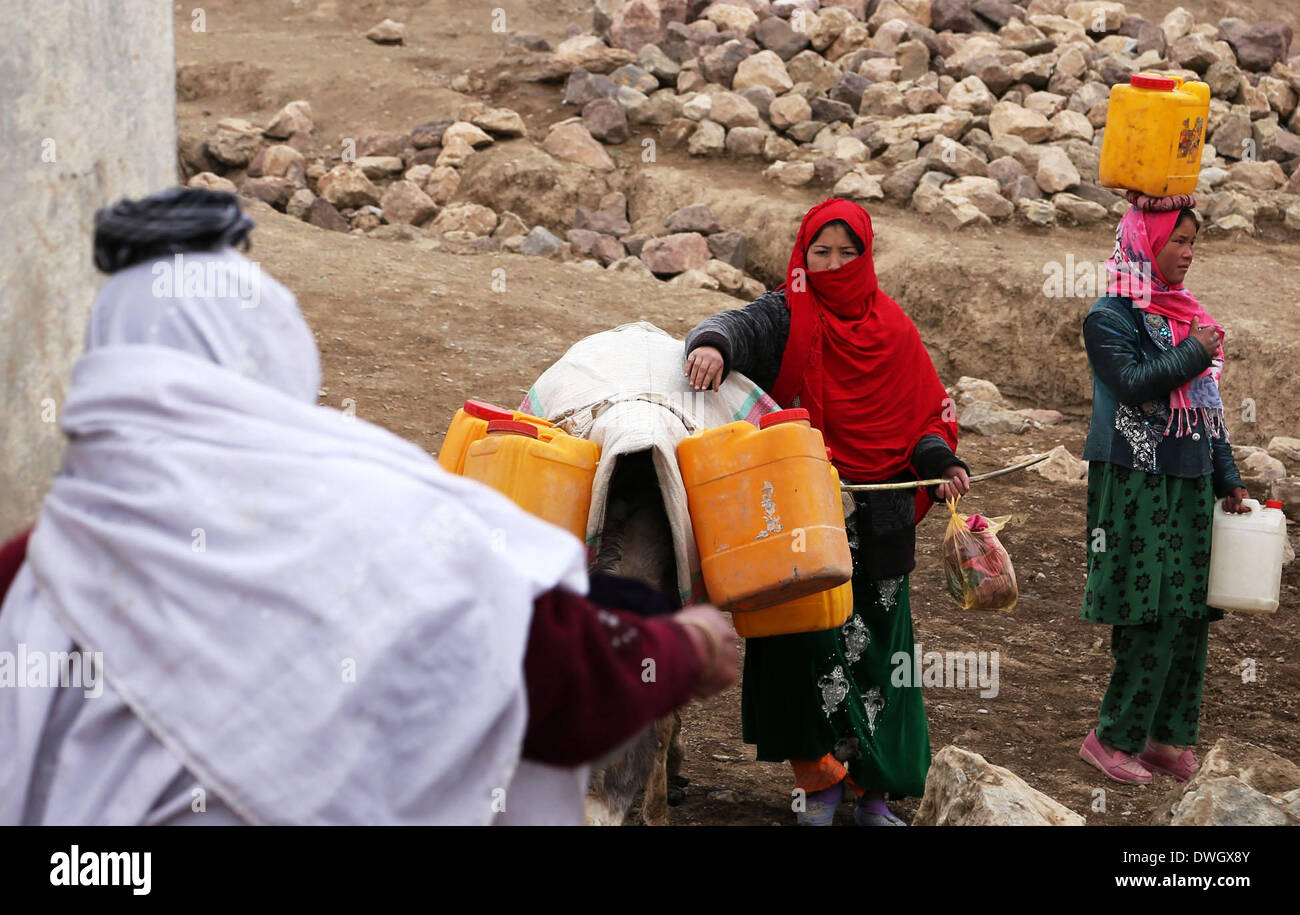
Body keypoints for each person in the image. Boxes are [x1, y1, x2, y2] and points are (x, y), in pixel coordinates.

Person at [0, 187, 736, 825]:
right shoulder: (384, 525)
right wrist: (681, 650)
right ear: (272, 353)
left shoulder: (27, 576)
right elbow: (550, 671)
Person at [683, 198, 970, 826]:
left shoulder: (894, 329)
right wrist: (710, 345)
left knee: (878, 657)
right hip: (802, 510)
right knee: (799, 642)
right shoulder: (789, 313)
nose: (834, 265)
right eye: (821, 253)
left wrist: (941, 464)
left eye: (848, 254)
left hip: (883, 515)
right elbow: (737, 326)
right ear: (802, 256)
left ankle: (872, 793)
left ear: (867, 257)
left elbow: (923, 417)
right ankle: (817, 784)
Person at [1078, 199, 1248, 785]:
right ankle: (1110, 738)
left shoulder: (1188, 315)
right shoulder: (1109, 317)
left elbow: (1207, 413)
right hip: (1135, 477)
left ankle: (1165, 739)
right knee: (1146, 610)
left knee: (1192, 611)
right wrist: (1197, 349)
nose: (1188, 253)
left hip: (1191, 477)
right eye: (1177, 241)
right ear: (1145, 242)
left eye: (1193, 242)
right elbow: (1130, 386)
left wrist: (1227, 477)